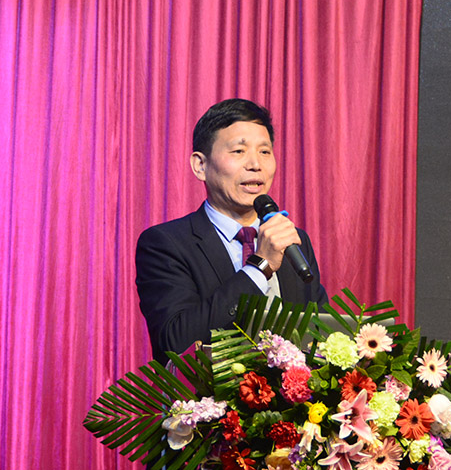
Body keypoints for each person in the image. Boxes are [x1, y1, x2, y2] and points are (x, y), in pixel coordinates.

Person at [135, 98, 329, 364]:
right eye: (239, 151)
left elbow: (320, 334)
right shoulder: (165, 243)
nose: (255, 164)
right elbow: (177, 342)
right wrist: (260, 267)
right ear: (200, 165)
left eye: (265, 152)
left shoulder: (292, 240)